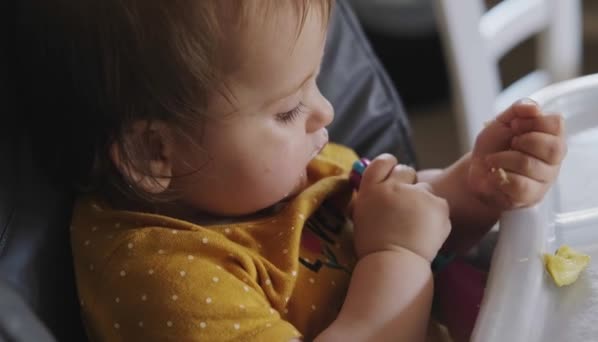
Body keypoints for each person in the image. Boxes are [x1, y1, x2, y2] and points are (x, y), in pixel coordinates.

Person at [19, 0, 566, 340]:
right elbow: (396, 241)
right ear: (153, 155)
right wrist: (396, 257)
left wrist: (474, 184)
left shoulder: (269, 172)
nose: (325, 112)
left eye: (315, 83)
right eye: (287, 109)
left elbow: (399, 213)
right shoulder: (165, 281)